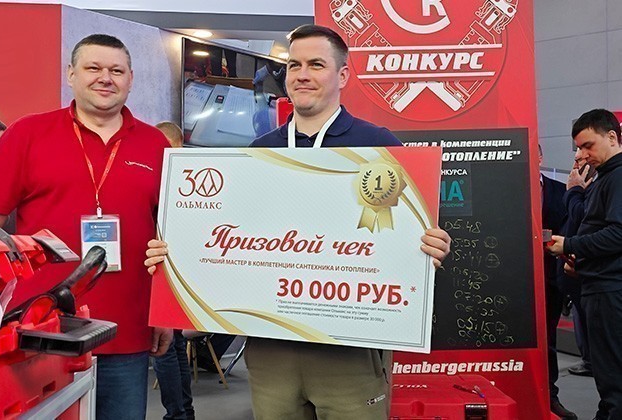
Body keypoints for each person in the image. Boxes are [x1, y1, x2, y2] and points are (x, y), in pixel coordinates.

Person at [146, 24, 451, 420]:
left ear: (343, 75)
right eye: (294, 65)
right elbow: (228, 238)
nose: (302, 74)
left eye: (316, 65)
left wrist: (432, 245)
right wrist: (177, 253)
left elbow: (413, 234)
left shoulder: (381, 147)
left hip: (349, 351)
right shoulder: (258, 151)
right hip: (271, 349)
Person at [0, 34, 172, 419]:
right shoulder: (26, 134)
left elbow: (169, 237)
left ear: (130, 79)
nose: (105, 78)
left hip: (127, 329)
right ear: (71, 74)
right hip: (41, 332)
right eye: (93, 68)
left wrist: (166, 313)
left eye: (116, 71)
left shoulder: (156, 144)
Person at [547, 109, 622, 420]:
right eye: (578, 148)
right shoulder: (605, 178)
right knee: (607, 375)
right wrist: (581, 262)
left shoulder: (617, 177)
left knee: (613, 376)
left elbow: (618, 234)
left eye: (587, 145)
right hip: (597, 285)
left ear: (612, 137)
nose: (581, 154)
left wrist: (571, 245)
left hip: (609, 292)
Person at [153, 121, 195, 420]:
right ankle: (183, 412)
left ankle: (178, 414)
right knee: (175, 345)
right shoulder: (183, 174)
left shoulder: (166, 177)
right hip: (178, 270)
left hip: (163, 269)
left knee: (166, 348)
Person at [539, 145, 576, 420]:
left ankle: (550, 397)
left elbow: (569, 228)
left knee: (549, 340)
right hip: (514, 277)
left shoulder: (559, 190)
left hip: (551, 277)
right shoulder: (507, 188)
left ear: (540, 156)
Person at [562, 155, 594, 377]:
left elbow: (581, 217)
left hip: (588, 269)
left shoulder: (596, 188)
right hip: (574, 267)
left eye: (580, 160)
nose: (575, 165)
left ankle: (592, 362)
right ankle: (589, 360)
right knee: (581, 317)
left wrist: (574, 191)